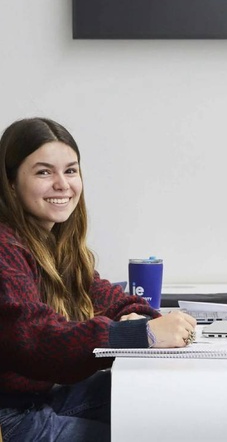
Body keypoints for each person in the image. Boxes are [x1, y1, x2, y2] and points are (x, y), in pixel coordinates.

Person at [0, 117, 196, 442]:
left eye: (71, 170)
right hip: (10, 419)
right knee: (146, 432)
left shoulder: (55, 244)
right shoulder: (5, 248)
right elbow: (38, 340)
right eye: (44, 172)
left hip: (44, 398)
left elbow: (112, 299)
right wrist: (137, 333)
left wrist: (140, 318)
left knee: (163, 401)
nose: (62, 184)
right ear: (10, 183)